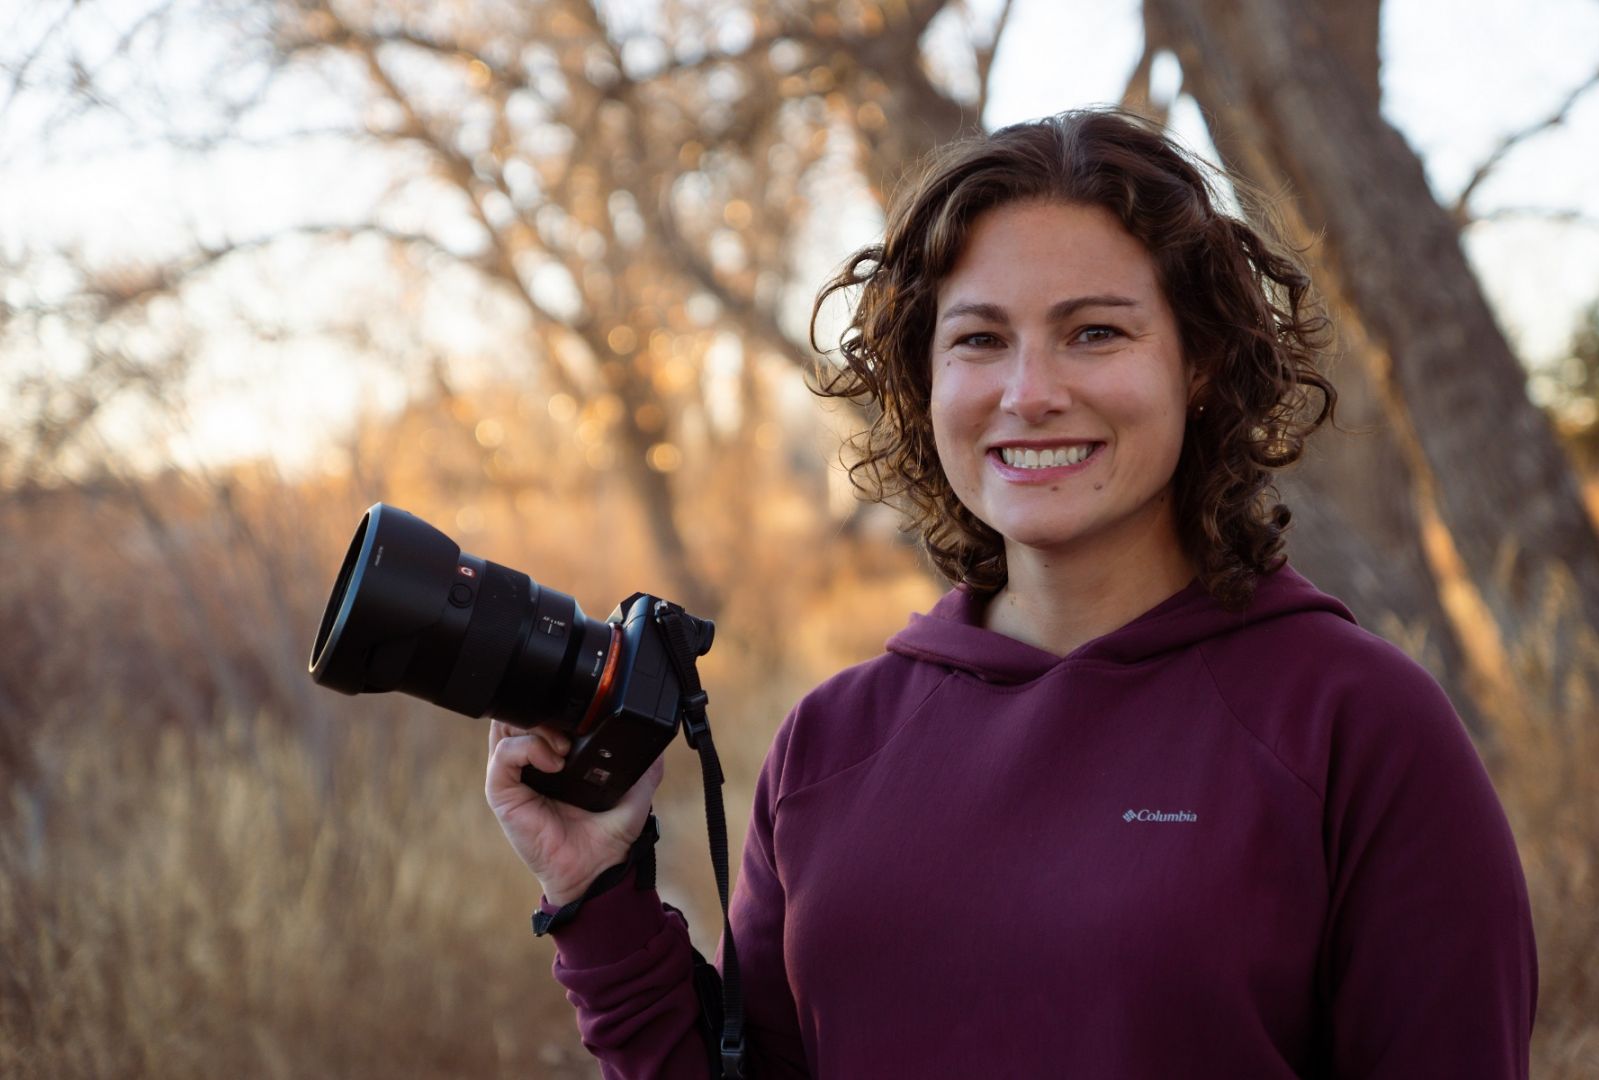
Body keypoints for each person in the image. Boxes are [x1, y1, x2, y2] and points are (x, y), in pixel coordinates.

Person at [484, 109, 1538, 1078]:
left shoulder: (1358, 724)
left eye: (1095, 332)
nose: (1030, 394)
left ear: (1202, 365)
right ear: (927, 379)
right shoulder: (829, 744)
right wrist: (594, 892)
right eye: (980, 340)